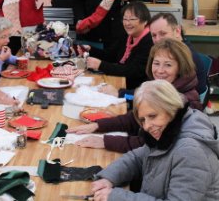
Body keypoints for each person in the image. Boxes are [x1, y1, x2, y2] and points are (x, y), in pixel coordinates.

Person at [91, 80, 219, 201]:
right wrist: (108, 178)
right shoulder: (167, 131)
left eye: (152, 116)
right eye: (143, 120)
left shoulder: (191, 152)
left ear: (171, 108)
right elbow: (137, 158)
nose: (146, 126)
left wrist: (116, 196)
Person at [67, 38, 202, 153]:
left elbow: (150, 143)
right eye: (156, 63)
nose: (160, 71)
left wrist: (105, 141)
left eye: (168, 65)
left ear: (180, 67)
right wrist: (98, 126)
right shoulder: (162, 88)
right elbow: (134, 118)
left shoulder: (184, 101)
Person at [83, 1, 153, 89]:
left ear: (145, 21)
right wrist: (90, 50)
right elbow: (111, 55)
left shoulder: (149, 41)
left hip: (136, 90)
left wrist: (101, 65)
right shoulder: (127, 36)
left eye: (132, 19)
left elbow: (132, 71)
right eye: (125, 19)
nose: (127, 23)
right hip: (120, 82)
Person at [149, 12, 206, 94]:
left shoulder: (187, 57)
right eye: (154, 35)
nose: (157, 39)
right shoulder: (171, 51)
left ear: (177, 31)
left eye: (163, 33)